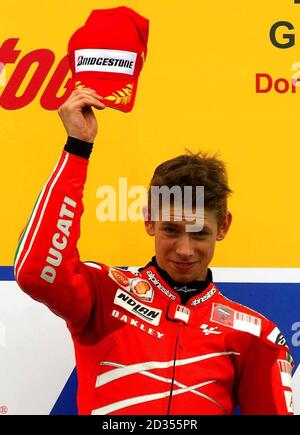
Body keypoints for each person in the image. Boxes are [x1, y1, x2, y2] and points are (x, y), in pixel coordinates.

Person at [14, 88, 294, 415]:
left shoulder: (256, 335)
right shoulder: (104, 292)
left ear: (223, 227)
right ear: (149, 220)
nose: (185, 250)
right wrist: (78, 147)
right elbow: (36, 273)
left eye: (200, 233)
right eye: (171, 231)